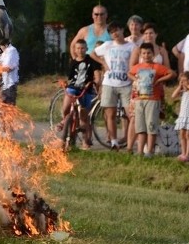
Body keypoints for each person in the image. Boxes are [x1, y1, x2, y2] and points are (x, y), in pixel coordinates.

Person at [91, 21, 135, 149]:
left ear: (122, 30)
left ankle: (130, 141)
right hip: (109, 83)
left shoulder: (131, 47)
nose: (115, 34)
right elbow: (92, 53)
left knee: (131, 114)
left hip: (126, 83)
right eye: (111, 32)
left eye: (117, 30)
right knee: (110, 114)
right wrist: (103, 63)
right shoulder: (108, 45)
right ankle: (114, 141)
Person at [128, 43, 176, 156]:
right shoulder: (138, 67)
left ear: (153, 54)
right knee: (140, 127)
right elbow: (129, 73)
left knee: (151, 126)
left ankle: (149, 151)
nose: (146, 55)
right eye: (144, 53)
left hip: (153, 99)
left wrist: (159, 80)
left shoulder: (157, 67)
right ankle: (140, 151)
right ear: (140, 54)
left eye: (149, 53)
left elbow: (172, 73)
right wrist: (135, 79)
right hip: (139, 100)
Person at [61, 38, 102, 149]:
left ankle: (85, 141)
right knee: (66, 107)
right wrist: (65, 82)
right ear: (75, 49)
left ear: (86, 49)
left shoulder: (91, 61)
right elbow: (70, 78)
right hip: (73, 88)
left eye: (82, 48)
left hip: (86, 89)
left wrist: (96, 82)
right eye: (78, 48)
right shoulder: (73, 62)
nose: (80, 50)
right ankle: (64, 121)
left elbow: (97, 75)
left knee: (84, 117)